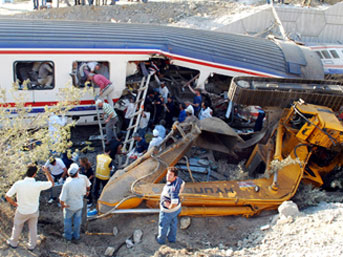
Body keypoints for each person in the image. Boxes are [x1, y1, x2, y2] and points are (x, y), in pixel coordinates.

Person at [5, 164, 54, 250]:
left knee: (17, 226)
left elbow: (7, 196)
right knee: (33, 228)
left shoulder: (18, 184)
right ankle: (32, 245)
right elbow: (51, 183)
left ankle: (13, 242)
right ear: (34, 174)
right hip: (33, 210)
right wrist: (47, 173)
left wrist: (14, 203)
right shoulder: (38, 185)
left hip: (21, 210)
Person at [156, 167, 185, 245]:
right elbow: (183, 183)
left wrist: (169, 207)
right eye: (168, 174)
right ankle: (172, 239)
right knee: (173, 223)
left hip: (167, 212)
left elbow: (174, 202)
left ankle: (161, 240)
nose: (167, 176)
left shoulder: (172, 189)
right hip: (176, 210)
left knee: (163, 225)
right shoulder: (178, 180)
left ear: (174, 177)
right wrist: (180, 193)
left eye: (170, 175)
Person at [59, 164, 86, 241]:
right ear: (77, 173)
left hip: (69, 206)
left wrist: (62, 205)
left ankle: (68, 236)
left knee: (67, 221)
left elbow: (62, 198)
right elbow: (83, 193)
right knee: (77, 221)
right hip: (79, 205)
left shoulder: (67, 184)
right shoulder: (82, 181)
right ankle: (76, 235)